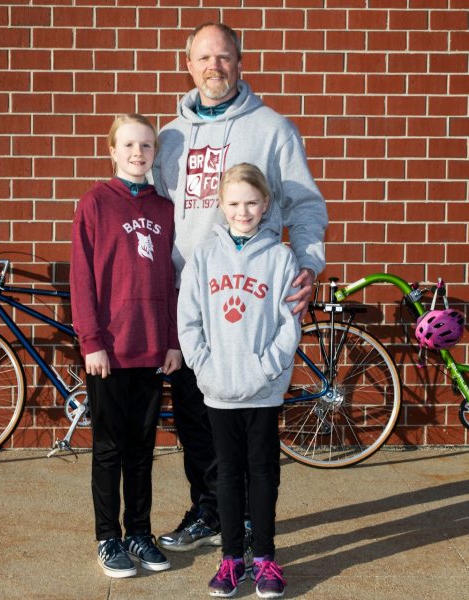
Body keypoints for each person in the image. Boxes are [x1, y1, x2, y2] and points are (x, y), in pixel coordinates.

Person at [152, 21, 328, 554]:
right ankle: (209, 510)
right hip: (191, 297)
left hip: (252, 303)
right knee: (194, 415)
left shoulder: (273, 129)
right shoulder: (169, 137)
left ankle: (252, 521)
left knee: (252, 426)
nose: (214, 67)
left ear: (240, 62)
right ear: (188, 65)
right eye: (204, 58)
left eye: (224, 57)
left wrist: (307, 265)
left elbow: (306, 204)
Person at [177, 163, 299, 598]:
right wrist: (204, 367)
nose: (242, 211)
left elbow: (290, 323)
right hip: (219, 389)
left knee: (264, 472)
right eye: (234, 203)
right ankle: (231, 560)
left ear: (265, 205)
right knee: (227, 474)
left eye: (251, 203)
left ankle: (265, 559)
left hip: (264, 390)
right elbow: (188, 320)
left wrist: (267, 368)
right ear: (221, 206)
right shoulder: (204, 258)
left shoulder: (281, 258)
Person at [70, 113, 183, 579]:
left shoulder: (165, 208)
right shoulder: (95, 203)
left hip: (153, 347)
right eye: (130, 145)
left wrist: (174, 341)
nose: (139, 154)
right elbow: (82, 279)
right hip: (110, 351)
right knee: (110, 448)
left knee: (142, 449)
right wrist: (91, 341)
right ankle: (107, 537)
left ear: (156, 154)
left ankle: (139, 530)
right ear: (112, 151)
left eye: (147, 146)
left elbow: (178, 281)